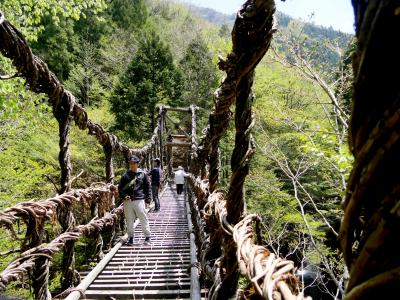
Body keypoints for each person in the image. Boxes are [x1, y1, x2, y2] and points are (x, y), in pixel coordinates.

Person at [118, 155, 152, 245]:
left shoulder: (143, 174)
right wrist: (124, 196)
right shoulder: (125, 175)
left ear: (137, 164)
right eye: (131, 163)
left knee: (143, 217)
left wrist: (148, 200)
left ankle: (147, 237)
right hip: (128, 201)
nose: (132, 165)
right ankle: (131, 238)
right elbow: (120, 188)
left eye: (134, 163)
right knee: (129, 219)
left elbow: (147, 187)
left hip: (139, 199)